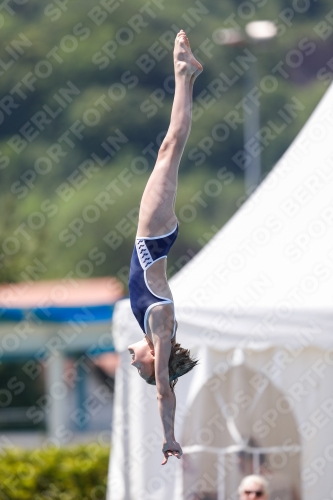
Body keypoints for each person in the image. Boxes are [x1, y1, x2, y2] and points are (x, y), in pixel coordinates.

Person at [127, 30, 202, 465]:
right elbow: (164, 390)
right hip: (153, 236)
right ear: (156, 359)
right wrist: (169, 436)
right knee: (170, 148)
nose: (132, 358)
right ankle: (183, 73)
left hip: (152, 236)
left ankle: (186, 75)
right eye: (140, 365)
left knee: (168, 151)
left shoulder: (156, 329)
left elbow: (162, 384)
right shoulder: (161, 328)